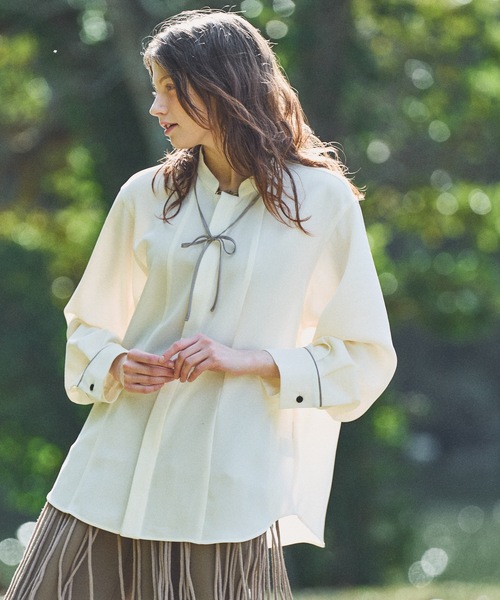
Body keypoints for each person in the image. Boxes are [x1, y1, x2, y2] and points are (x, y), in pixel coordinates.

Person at [5, 8, 397, 600]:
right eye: (155, 89)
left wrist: (252, 361)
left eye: (170, 88)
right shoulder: (146, 195)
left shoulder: (321, 201)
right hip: (110, 475)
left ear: (221, 85)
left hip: (227, 487)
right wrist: (115, 363)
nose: (156, 107)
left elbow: (365, 356)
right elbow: (87, 323)